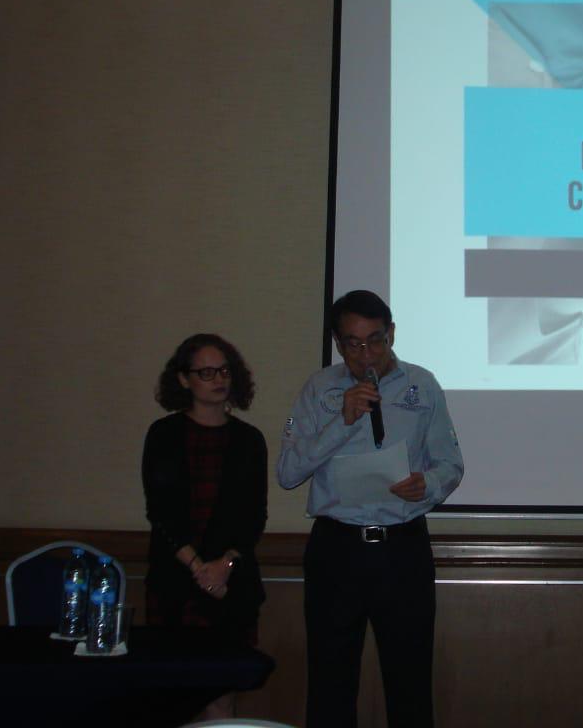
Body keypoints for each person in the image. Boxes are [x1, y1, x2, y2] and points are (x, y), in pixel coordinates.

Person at [277, 290, 464, 728]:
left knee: (410, 682)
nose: (367, 354)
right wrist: (341, 422)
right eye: (354, 344)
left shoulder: (422, 385)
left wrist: (427, 485)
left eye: (376, 340)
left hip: (403, 549)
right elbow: (287, 473)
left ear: (391, 333)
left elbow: (451, 464)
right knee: (330, 683)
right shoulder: (319, 388)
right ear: (338, 344)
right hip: (336, 549)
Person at [143, 333, 268, 719]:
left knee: (221, 693)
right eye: (207, 372)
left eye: (224, 371)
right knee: (172, 696)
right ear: (184, 379)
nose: (219, 379)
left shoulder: (249, 440)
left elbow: (254, 517)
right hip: (175, 583)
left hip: (231, 585)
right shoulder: (163, 435)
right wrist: (200, 569)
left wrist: (224, 564)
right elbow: (160, 512)